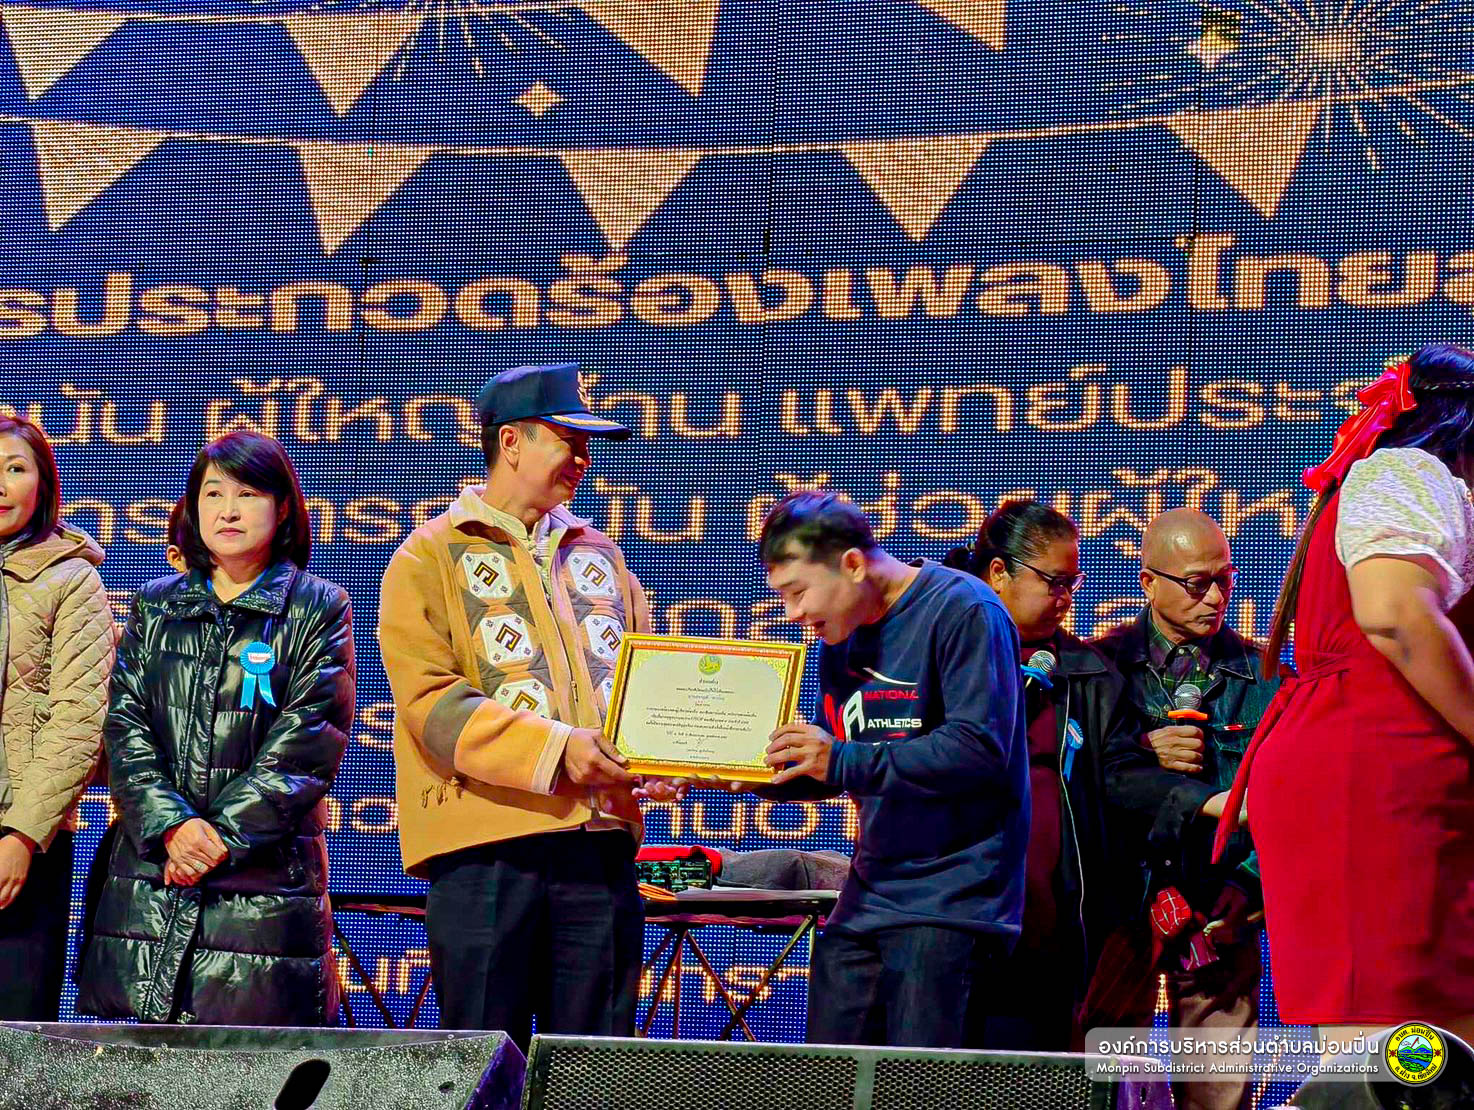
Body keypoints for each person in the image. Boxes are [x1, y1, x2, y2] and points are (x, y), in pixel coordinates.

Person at [381, 362, 654, 1048]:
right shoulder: (428, 555)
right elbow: (431, 704)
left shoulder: (601, 555)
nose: (584, 459)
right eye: (569, 441)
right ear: (510, 442)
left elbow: (641, 682)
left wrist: (658, 758)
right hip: (486, 853)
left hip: (598, 851)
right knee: (482, 1064)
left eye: (587, 446)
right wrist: (560, 750)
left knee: (592, 1070)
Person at [1217, 344, 1474, 1044]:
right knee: (1390, 1041)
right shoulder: (1409, 472)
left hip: (1389, 775)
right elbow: (1395, 613)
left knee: (1425, 1036)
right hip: (1378, 778)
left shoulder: (1393, 482)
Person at [76, 430, 354, 1025]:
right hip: (150, 878)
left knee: (254, 1061)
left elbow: (307, 743)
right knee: (138, 1066)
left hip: (262, 890)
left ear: (283, 508)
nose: (228, 510)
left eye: (247, 494)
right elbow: (124, 727)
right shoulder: (155, 605)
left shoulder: (317, 608)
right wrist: (173, 828)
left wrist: (215, 840)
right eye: (213, 493)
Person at [757, 491, 1029, 1049]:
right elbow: (846, 763)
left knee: (915, 1084)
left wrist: (839, 758)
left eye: (797, 592)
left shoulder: (964, 609)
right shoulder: (841, 637)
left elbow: (978, 749)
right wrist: (743, 775)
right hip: (870, 894)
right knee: (829, 1074)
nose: (791, 614)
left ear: (853, 564)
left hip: (952, 899)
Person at [1094, 508, 1280, 1110]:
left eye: (1225, 579)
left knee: (1217, 1097)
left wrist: (1251, 891)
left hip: (1222, 912)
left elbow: (1292, 799)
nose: (1218, 598)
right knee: (1100, 1086)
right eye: (1198, 583)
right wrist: (1141, 750)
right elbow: (1073, 788)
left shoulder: (1267, 677)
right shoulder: (1098, 669)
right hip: (1119, 909)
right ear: (1148, 582)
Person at [945, 501, 1140, 1052]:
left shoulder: (1091, 673)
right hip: (952, 908)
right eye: (1054, 582)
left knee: (1036, 1068)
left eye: (1072, 583)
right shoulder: (939, 655)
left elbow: (1119, 779)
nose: (1066, 598)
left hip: (1048, 922)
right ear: (998, 572)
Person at [0, 415, 114, 1020]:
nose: (1, 485)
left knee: (15, 1047)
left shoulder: (72, 578)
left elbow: (80, 719)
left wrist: (22, 835)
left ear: (42, 484)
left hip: (24, 835)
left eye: (16, 469)